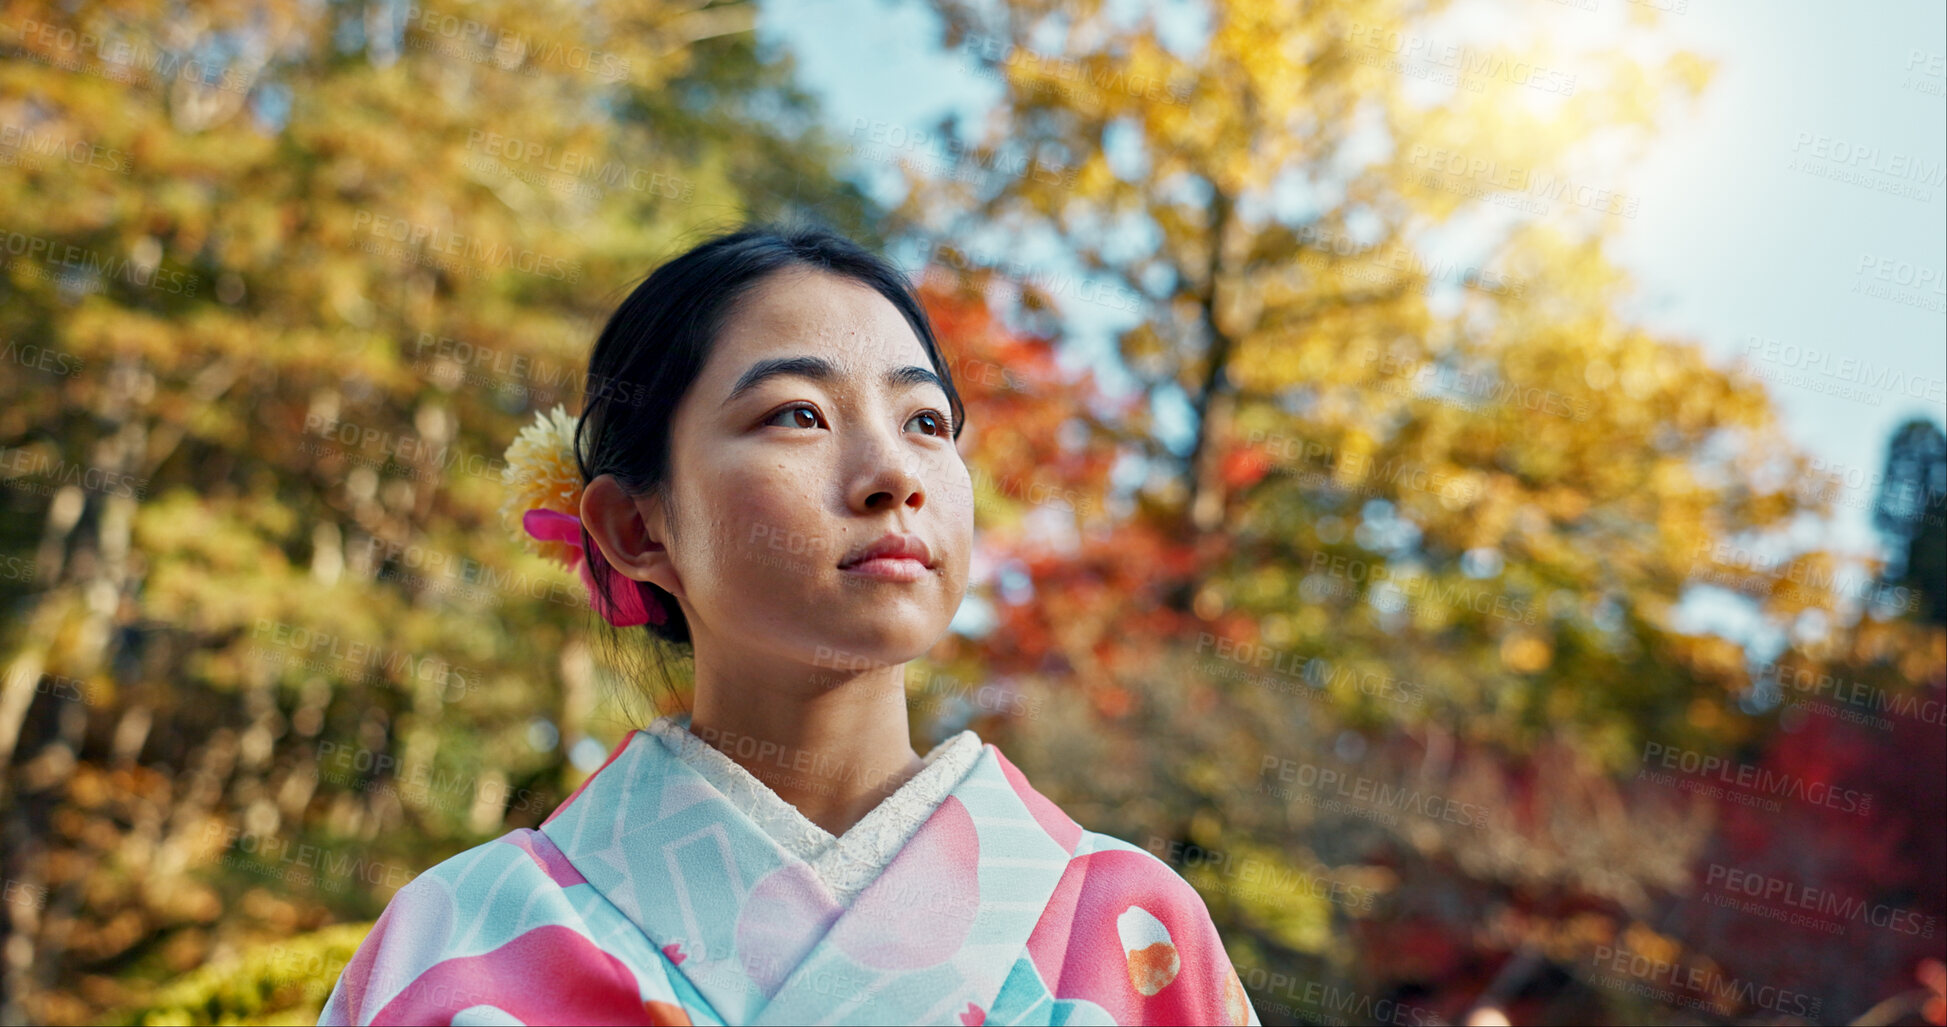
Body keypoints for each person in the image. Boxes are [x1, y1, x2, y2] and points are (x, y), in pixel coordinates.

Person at [317, 222, 1259, 1026]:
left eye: (926, 421)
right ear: (637, 527)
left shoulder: (1129, 924)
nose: (895, 472)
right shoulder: (459, 936)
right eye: (798, 414)